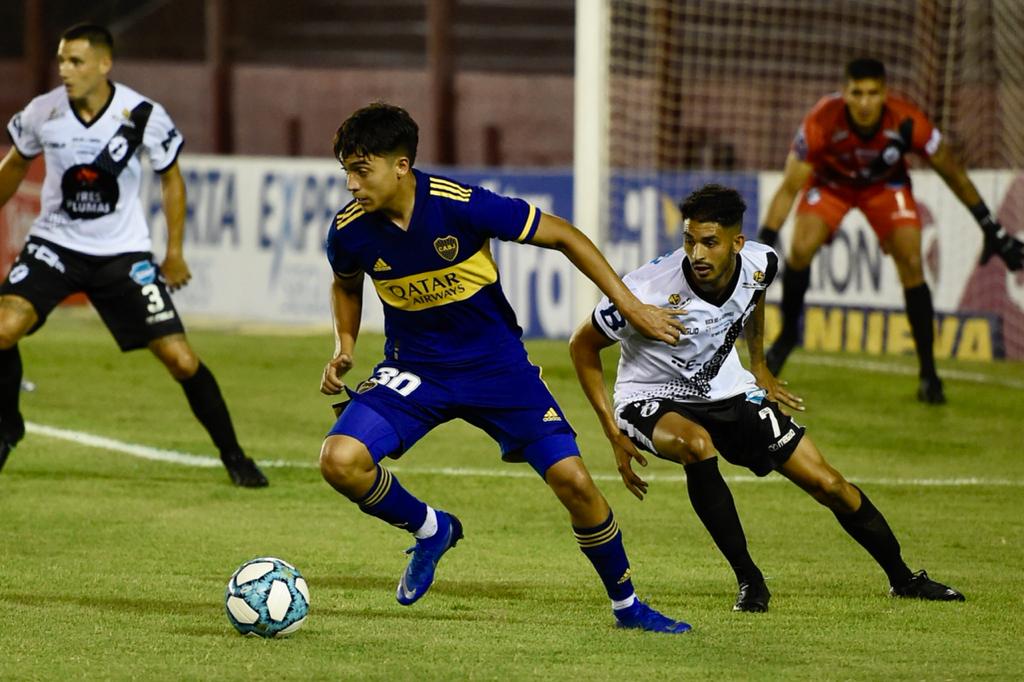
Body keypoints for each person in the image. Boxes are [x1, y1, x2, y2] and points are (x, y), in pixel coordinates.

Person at [318, 102, 691, 633]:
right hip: (416, 370)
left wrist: (629, 305)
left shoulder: (461, 205)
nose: (352, 185)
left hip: (497, 370)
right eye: (346, 172)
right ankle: (431, 530)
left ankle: (628, 608)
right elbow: (346, 282)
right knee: (340, 459)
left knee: (576, 484)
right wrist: (345, 344)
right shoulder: (349, 231)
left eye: (361, 170)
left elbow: (565, 235)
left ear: (401, 166)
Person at [569, 183, 965, 612]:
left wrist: (758, 368)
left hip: (726, 387)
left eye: (709, 243)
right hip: (650, 396)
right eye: (689, 241)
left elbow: (753, 296)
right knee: (696, 446)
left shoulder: (762, 262)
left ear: (737, 243)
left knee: (829, 484)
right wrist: (611, 429)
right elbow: (581, 346)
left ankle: (904, 578)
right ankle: (750, 580)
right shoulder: (644, 290)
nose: (697, 254)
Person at [0, 24, 267, 487]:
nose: (65, 70)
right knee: (3, 329)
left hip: (121, 254)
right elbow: (16, 165)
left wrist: (175, 251)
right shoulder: (43, 111)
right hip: (55, 245)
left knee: (180, 359)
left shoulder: (141, 113)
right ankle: (7, 428)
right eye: (61, 60)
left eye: (76, 61)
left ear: (104, 64)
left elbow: (171, 176)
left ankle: (234, 455)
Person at [758, 57, 1024, 404]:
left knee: (912, 262)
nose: (865, 102)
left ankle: (929, 372)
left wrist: (991, 228)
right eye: (857, 93)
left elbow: (953, 173)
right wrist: (764, 241)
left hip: (885, 187)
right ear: (845, 93)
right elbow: (790, 186)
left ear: (884, 94)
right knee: (801, 247)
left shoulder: (908, 121)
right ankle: (788, 335)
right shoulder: (822, 119)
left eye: (873, 93)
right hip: (832, 186)